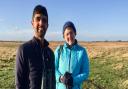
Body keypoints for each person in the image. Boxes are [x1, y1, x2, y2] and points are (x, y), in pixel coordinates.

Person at [15, 5, 55, 89]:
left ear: (47, 25)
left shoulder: (50, 54)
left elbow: (53, 83)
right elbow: (19, 85)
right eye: (38, 19)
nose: (41, 23)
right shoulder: (23, 50)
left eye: (44, 20)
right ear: (32, 23)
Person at [54, 21, 89, 89]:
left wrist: (73, 80)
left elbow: (85, 72)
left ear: (75, 33)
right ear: (64, 36)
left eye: (71, 33)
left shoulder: (82, 51)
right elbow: (53, 68)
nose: (69, 36)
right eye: (67, 34)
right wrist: (60, 78)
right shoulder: (59, 50)